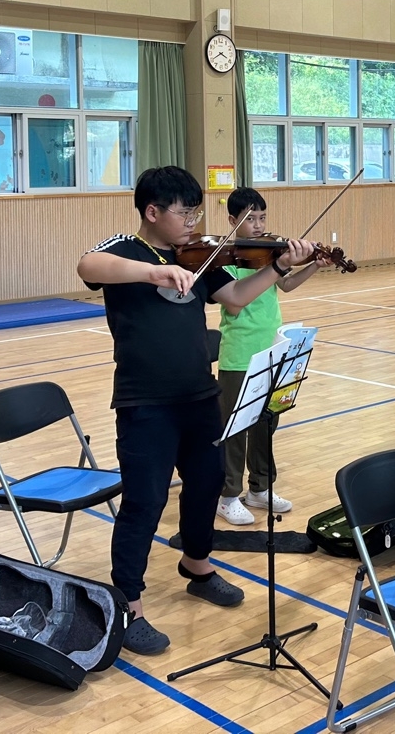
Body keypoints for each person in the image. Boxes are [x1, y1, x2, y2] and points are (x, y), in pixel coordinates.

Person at [77, 166, 315, 655]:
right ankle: (128, 602)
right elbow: (88, 266)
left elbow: (236, 297)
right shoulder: (125, 249)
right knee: (145, 502)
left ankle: (197, 563)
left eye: (196, 214)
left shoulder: (200, 256)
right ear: (152, 212)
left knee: (207, 484)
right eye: (184, 214)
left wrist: (278, 268)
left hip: (199, 397)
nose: (192, 223)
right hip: (145, 402)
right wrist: (155, 271)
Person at [215, 186, 330, 526]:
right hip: (239, 354)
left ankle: (260, 488)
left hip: (273, 350)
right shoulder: (225, 258)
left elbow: (286, 285)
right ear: (232, 220)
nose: (259, 225)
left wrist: (313, 266)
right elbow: (236, 302)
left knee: (267, 422)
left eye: (262, 218)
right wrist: (276, 266)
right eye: (250, 219)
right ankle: (227, 496)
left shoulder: (267, 254)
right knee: (235, 429)